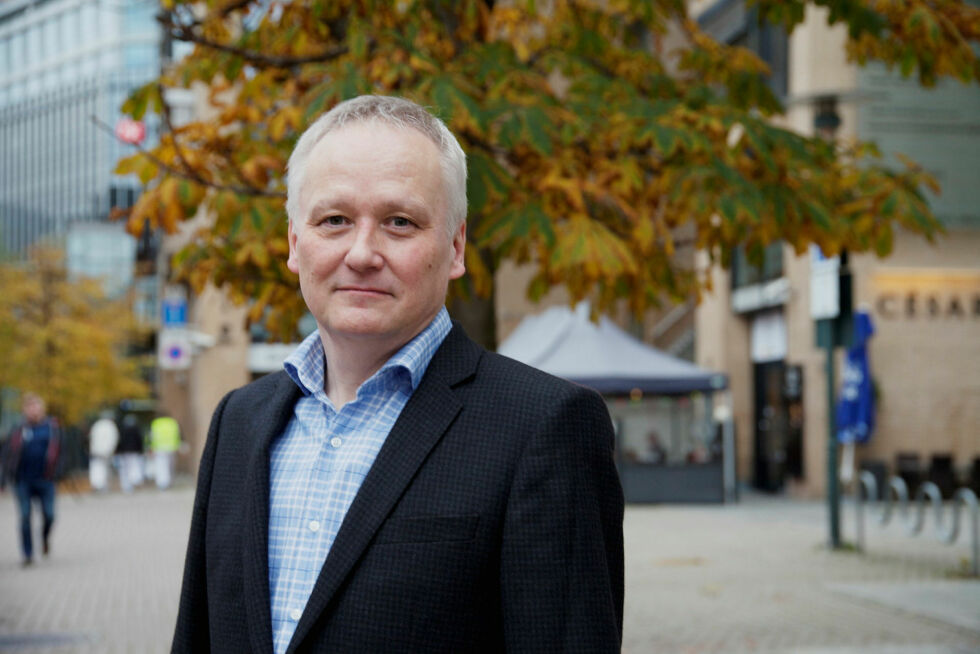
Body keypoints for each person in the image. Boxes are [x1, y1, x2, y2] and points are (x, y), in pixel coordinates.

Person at [172, 95, 624, 653]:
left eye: (399, 222)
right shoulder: (237, 423)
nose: (361, 253)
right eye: (334, 220)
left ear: (455, 247)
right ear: (295, 242)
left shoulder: (544, 428)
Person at [1, 393, 60, 567]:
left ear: (42, 409)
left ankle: (44, 538)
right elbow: (7, 455)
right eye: (29, 407)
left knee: (50, 515)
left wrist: (58, 472)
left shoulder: (52, 428)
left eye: (36, 406)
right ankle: (27, 554)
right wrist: (3, 480)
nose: (33, 410)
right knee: (25, 516)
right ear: (24, 410)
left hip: (46, 480)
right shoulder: (18, 430)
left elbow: (62, 452)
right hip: (22, 481)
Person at [88, 411, 119, 492]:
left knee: (96, 468)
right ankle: (103, 486)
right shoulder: (111, 426)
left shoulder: (97, 425)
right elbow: (113, 439)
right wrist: (112, 450)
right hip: (106, 451)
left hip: (96, 450)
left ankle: (96, 484)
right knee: (105, 469)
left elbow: (92, 437)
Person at [149, 413, 180, 490]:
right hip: (171, 447)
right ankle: (169, 481)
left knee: (161, 466)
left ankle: (162, 483)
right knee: (170, 465)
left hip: (159, 448)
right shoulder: (172, 422)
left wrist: (152, 447)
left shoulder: (156, 423)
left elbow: (152, 436)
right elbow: (178, 434)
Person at [115, 413, 145, 493]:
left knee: (125, 469)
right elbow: (139, 441)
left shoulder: (122, 430)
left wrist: (118, 451)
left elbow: (119, 442)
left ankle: (127, 486)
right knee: (134, 466)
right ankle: (135, 480)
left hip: (124, 452)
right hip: (134, 451)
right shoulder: (136, 430)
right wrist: (140, 451)